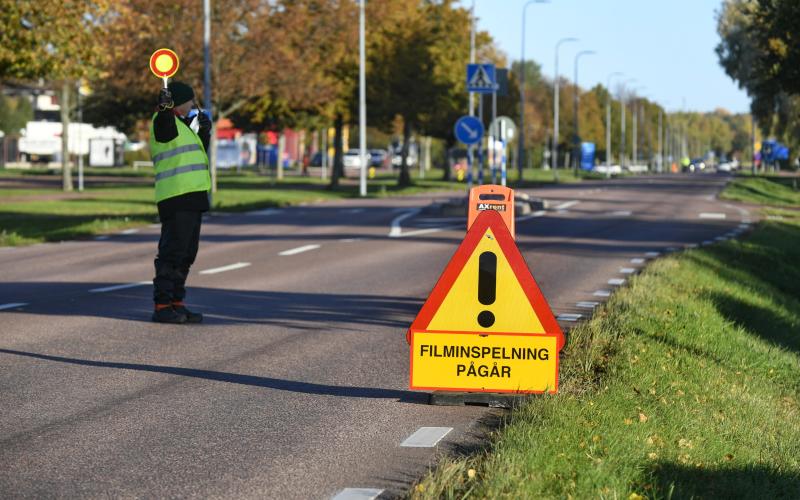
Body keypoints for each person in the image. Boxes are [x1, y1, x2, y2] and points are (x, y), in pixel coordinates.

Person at [149, 81, 212, 324]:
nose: (193, 105)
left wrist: (203, 134)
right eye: (190, 101)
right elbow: (165, 130)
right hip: (176, 196)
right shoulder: (163, 121)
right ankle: (162, 304)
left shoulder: (185, 126)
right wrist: (164, 108)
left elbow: (196, 156)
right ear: (178, 101)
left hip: (193, 196)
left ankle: (177, 302)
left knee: (187, 253)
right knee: (172, 252)